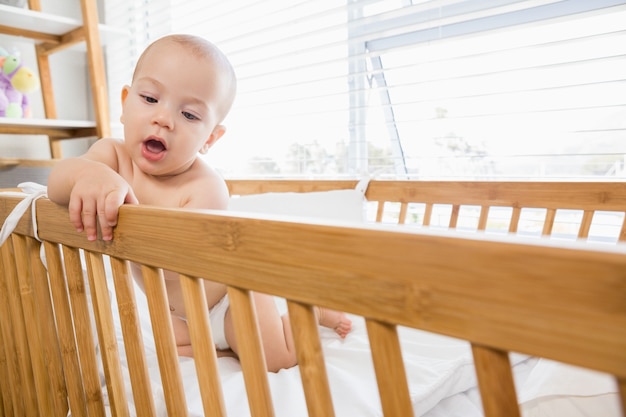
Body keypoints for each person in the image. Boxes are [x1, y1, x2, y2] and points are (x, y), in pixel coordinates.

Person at [47, 34, 352, 372]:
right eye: (149, 98)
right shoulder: (111, 156)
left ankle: (312, 310)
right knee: (173, 356)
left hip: (232, 300)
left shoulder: (206, 187)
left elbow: (173, 263)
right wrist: (87, 175)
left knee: (276, 358)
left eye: (190, 115)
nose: (164, 119)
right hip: (177, 314)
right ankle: (221, 349)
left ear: (210, 138)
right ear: (124, 103)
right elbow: (55, 184)